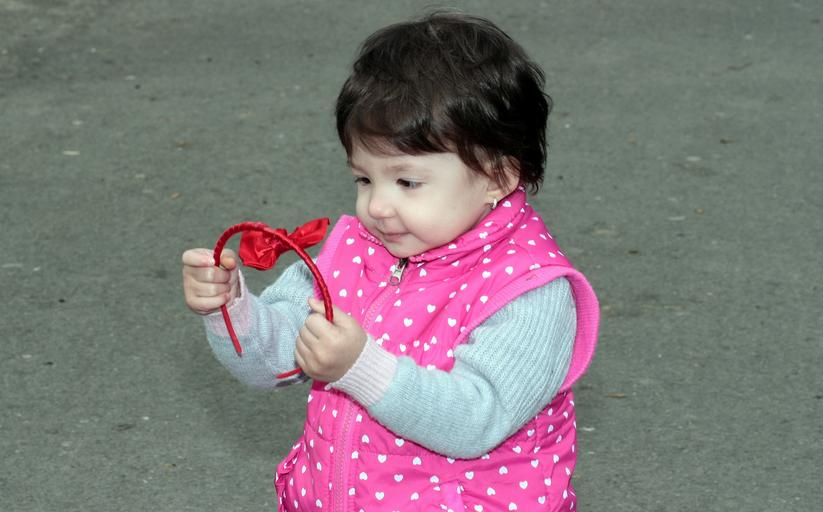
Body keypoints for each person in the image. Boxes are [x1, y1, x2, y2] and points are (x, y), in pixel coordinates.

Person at [181, 11, 599, 511]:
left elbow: (477, 419)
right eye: (364, 179)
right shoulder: (352, 249)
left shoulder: (529, 292)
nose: (377, 206)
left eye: (407, 182)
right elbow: (271, 363)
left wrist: (361, 367)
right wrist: (230, 308)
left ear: (497, 177)